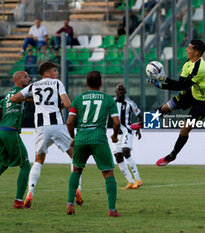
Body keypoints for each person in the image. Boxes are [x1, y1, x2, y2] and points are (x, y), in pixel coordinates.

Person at [10, 62, 83, 208]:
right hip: (57, 125)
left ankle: (30, 192)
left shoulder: (33, 85)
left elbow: (14, 98)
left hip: (42, 127)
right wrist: (60, 105)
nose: (56, 73)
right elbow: (67, 104)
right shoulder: (57, 83)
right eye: (55, 71)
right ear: (47, 73)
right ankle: (77, 190)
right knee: (75, 157)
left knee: (38, 160)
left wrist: (31, 100)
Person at [147, 39, 205, 166]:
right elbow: (181, 85)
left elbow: (181, 86)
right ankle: (146, 123)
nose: (187, 49)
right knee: (165, 108)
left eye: (189, 48)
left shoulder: (200, 68)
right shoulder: (188, 63)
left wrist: (163, 80)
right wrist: (162, 84)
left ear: (196, 52)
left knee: (185, 129)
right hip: (192, 93)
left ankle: (172, 155)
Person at [66, 71, 122, 217]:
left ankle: (70, 205)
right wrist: (115, 136)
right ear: (101, 83)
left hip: (81, 138)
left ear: (86, 83)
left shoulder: (78, 99)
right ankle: (112, 210)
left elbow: (69, 122)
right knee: (108, 173)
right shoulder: (108, 99)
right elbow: (116, 122)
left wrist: (73, 137)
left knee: (76, 170)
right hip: (99, 138)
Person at [0, 71, 31, 209]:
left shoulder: (7, 94)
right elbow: (34, 97)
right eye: (25, 77)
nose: (28, 78)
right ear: (18, 80)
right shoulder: (21, 92)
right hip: (11, 131)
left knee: (3, 163)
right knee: (25, 165)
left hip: (2, 130)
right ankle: (19, 201)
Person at [112, 83, 143, 189]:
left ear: (125, 92)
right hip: (117, 133)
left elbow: (139, 115)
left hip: (128, 130)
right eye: (118, 90)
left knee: (125, 151)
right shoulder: (111, 102)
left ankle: (138, 179)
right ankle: (130, 181)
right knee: (118, 156)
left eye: (122, 90)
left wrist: (138, 128)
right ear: (115, 91)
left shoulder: (129, 103)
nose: (120, 92)